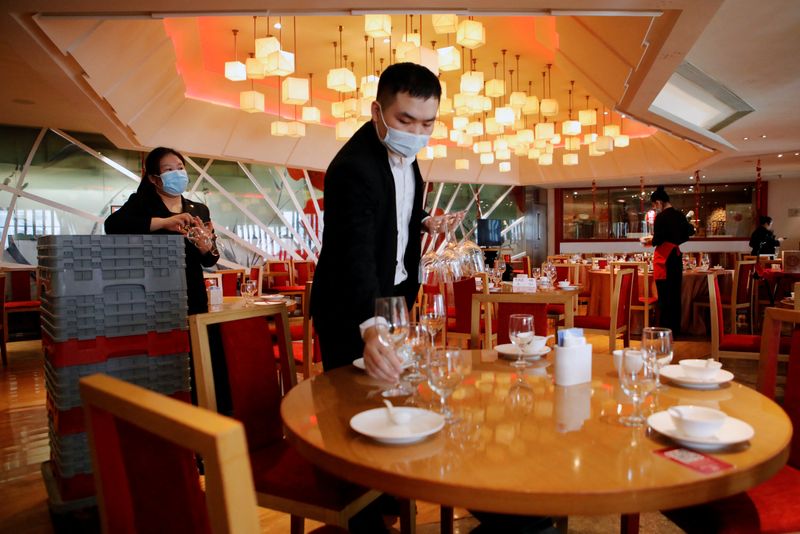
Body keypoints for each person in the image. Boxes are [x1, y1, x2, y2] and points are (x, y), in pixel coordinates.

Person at [310, 62, 444, 383]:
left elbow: (396, 209)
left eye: (427, 124)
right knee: (352, 407)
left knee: (394, 396)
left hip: (394, 298)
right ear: (376, 111)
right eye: (405, 120)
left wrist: (423, 221)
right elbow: (352, 251)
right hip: (349, 306)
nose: (415, 134)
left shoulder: (405, 157)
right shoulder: (353, 167)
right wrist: (371, 326)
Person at [105, 146, 219, 315]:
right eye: (169, 170)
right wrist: (163, 222)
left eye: (180, 168)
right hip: (154, 294)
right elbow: (113, 226)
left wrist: (206, 248)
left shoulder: (199, 210)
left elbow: (210, 260)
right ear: (153, 178)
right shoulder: (141, 204)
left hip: (192, 293)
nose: (177, 173)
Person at [642, 186, 695, 335]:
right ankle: (675, 329)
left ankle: (665, 330)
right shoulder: (679, 215)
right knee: (675, 294)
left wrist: (649, 241)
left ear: (659, 202)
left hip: (664, 258)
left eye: (654, 205)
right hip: (676, 257)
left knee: (664, 296)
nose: (655, 208)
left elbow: (658, 239)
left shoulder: (662, 217)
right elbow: (689, 232)